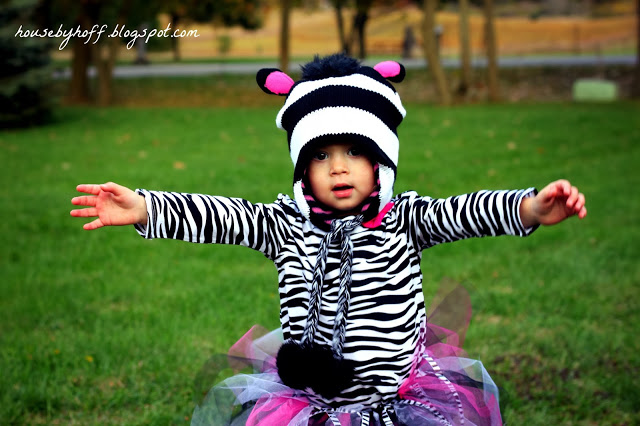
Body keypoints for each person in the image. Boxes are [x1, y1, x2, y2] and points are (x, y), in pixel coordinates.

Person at [70, 54, 586, 425]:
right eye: (320, 155)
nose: (338, 167)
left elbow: (466, 211)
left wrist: (531, 206)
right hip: (308, 401)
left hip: (394, 402)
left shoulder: (403, 219)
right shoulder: (283, 224)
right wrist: (145, 207)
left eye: (354, 153)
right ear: (302, 166)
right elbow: (219, 215)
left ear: (380, 161)